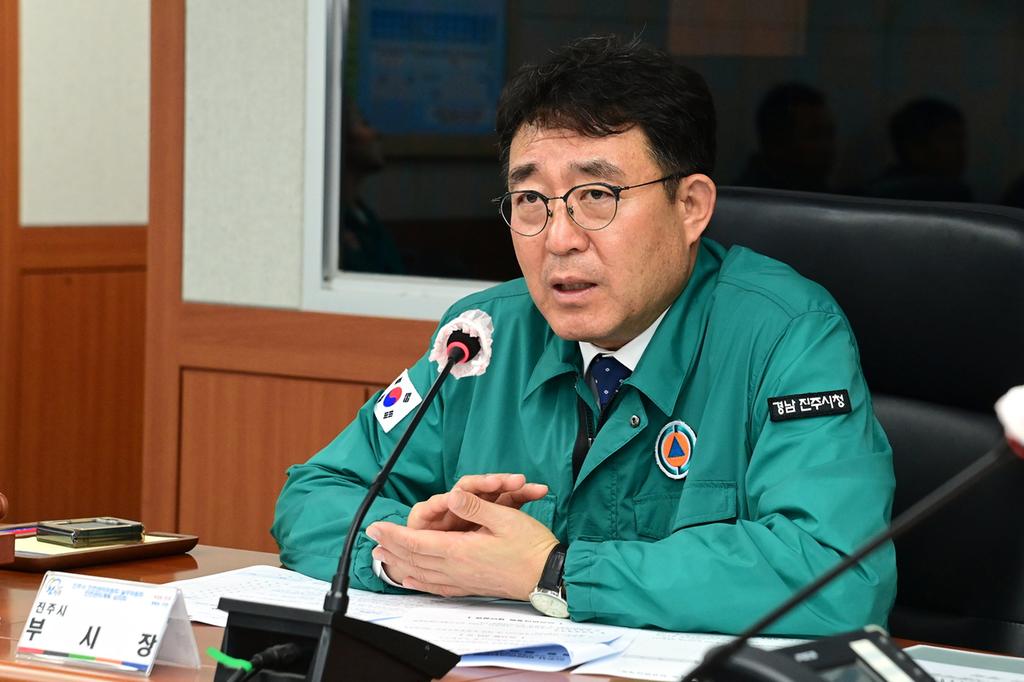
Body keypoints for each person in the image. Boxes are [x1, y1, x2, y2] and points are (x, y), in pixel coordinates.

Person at [272, 35, 896, 636]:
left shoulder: (787, 333)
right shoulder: (482, 338)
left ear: (690, 207)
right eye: (529, 200)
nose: (559, 238)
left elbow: (837, 573)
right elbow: (315, 495)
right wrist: (416, 553)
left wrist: (554, 573)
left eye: (597, 195)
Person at [861, 97, 972, 202]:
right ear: (915, 145)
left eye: (960, 139)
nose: (960, 148)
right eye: (948, 138)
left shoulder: (871, 194)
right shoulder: (952, 195)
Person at [733, 82, 836, 192]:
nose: (827, 146)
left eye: (829, 134)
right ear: (777, 143)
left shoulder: (817, 190)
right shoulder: (748, 196)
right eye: (814, 135)